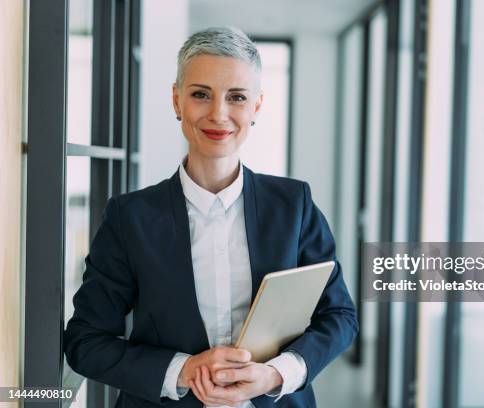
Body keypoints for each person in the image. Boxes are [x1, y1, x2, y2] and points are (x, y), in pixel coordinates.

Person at [64, 27, 358, 408]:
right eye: (201, 94)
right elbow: (85, 342)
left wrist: (276, 373)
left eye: (236, 97)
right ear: (177, 100)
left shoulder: (294, 204)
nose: (218, 114)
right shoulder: (129, 218)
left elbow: (339, 316)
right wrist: (183, 371)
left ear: (257, 107)